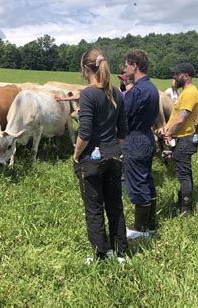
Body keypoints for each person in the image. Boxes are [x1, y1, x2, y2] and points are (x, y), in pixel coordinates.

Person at [73, 48, 129, 264]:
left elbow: (84, 131)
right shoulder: (117, 92)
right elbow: (123, 131)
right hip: (114, 155)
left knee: (94, 208)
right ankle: (121, 252)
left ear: (86, 68)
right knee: (115, 204)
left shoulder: (88, 93)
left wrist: (76, 154)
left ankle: (101, 254)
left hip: (91, 159)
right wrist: (113, 148)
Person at [122, 51, 160, 239]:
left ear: (134, 66)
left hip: (135, 139)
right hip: (147, 136)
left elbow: (123, 115)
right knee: (147, 181)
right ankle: (150, 226)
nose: (125, 69)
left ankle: (139, 229)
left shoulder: (137, 91)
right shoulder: (152, 88)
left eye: (126, 65)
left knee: (138, 183)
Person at [163, 63, 198, 215]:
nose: (174, 77)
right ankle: (185, 204)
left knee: (184, 175)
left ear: (185, 75)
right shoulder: (186, 92)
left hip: (184, 139)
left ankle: (185, 209)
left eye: (176, 74)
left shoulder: (190, 93)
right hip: (183, 138)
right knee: (185, 172)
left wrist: (169, 133)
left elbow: (181, 119)